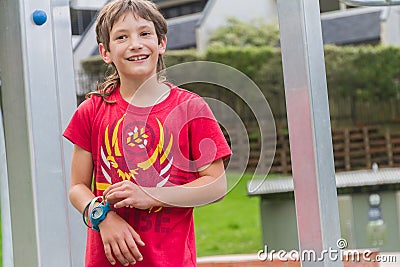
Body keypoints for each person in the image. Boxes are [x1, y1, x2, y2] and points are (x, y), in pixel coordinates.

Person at [63, 0, 231, 266]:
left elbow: (216, 184)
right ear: (105, 52)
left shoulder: (190, 108)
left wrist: (149, 195)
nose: (135, 44)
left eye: (144, 33)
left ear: (161, 43)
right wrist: (102, 216)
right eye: (121, 37)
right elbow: (77, 187)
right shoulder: (91, 111)